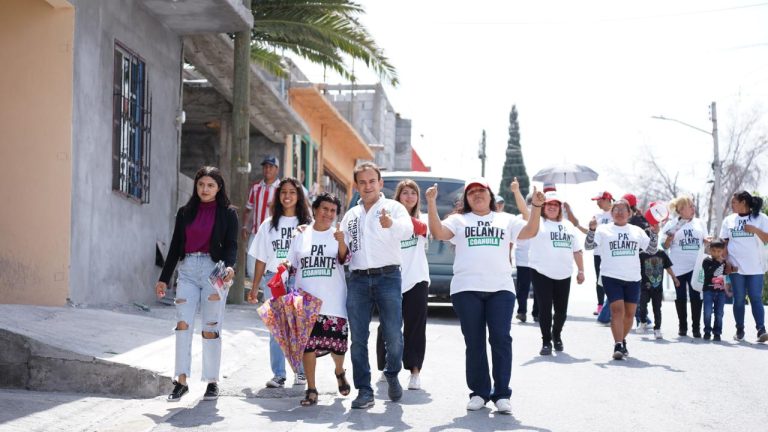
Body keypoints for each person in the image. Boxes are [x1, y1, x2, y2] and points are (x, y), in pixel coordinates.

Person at [426, 178, 545, 414]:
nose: (477, 195)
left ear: (490, 196)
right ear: (467, 199)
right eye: (472, 193)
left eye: (482, 191)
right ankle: (479, 392)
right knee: (475, 342)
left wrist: (537, 208)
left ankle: (501, 394)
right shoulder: (458, 220)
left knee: (501, 339)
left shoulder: (506, 219)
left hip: (500, 288)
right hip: (466, 289)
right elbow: (438, 232)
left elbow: (530, 231)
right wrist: (430, 202)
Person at [155, 166, 239, 402]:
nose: (205, 189)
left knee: (211, 327)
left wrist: (230, 266)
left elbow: (232, 245)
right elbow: (174, 247)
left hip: (216, 269)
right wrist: (164, 278)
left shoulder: (228, 214)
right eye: (201, 184)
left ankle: (212, 382)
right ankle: (181, 381)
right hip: (189, 270)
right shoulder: (185, 212)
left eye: (210, 185)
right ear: (196, 186)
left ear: (218, 188)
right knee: (183, 325)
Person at [340, 162, 413, 409]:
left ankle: (392, 373)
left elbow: (408, 229)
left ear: (380, 183)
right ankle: (364, 390)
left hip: (388, 277)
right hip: (358, 279)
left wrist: (390, 224)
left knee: (393, 335)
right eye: (363, 182)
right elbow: (342, 250)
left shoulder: (393, 208)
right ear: (357, 185)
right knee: (358, 338)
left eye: (372, 181)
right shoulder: (351, 215)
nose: (368, 186)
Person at [246, 177, 312, 388]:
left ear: (299, 196)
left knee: (298, 328)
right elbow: (261, 258)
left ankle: (300, 372)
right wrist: (255, 287)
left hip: (298, 278)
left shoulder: (307, 224)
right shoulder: (268, 224)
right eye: (283, 192)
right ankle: (279, 374)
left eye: (292, 192)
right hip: (273, 279)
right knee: (276, 330)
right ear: (278, 195)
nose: (287, 196)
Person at [285, 193, 350, 406]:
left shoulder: (339, 234)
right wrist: (281, 272)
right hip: (306, 301)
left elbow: (345, 259)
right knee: (308, 347)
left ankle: (339, 371)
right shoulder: (300, 234)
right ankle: (311, 389)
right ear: (315, 210)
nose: (328, 214)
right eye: (324, 209)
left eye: (332, 211)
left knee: (337, 347)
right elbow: (291, 264)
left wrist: (341, 242)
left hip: (334, 300)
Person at [584, 199, 659, 360]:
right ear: (611, 214)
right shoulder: (603, 230)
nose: (619, 212)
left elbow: (652, 249)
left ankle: (622, 340)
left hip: (633, 277)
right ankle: (618, 344)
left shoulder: (637, 231)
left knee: (630, 314)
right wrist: (591, 230)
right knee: (617, 310)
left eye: (623, 210)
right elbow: (589, 246)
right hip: (611, 276)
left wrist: (654, 234)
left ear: (629, 213)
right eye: (616, 210)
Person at [376, 180, 430, 391]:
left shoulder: (420, 220)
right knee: (387, 326)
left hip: (416, 279)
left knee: (415, 327)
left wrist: (393, 220)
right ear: (397, 197)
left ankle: (414, 372)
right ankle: (386, 367)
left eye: (413, 193)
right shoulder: (386, 221)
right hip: (391, 280)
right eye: (404, 193)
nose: (409, 197)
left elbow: (423, 229)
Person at [527, 191, 585, 355]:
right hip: (541, 271)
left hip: (564, 273)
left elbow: (577, 250)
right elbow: (527, 214)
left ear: (560, 208)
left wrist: (581, 270)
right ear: (544, 206)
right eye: (549, 204)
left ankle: (556, 335)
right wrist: (522, 194)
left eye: (556, 205)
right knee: (545, 308)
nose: (552, 207)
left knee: (561, 310)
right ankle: (546, 341)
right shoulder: (537, 222)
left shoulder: (568, 226)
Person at [719, 191, 768, 342]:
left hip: (756, 267)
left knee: (755, 298)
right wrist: (726, 262)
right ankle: (739, 329)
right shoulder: (729, 220)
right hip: (736, 267)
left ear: (743, 202)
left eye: (734, 202)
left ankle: (761, 330)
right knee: (739, 299)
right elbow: (724, 244)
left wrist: (754, 230)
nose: (731, 204)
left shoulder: (761, 218)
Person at [662, 195, 707, 338]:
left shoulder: (700, 223)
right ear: (681, 210)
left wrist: (707, 240)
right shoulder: (671, 224)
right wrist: (669, 238)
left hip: (696, 266)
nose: (694, 208)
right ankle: (682, 326)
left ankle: (696, 328)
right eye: (690, 206)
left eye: (694, 206)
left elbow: (705, 241)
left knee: (696, 296)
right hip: (679, 267)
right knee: (680, 296)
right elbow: (664, 245)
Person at [570, 191, 614, 316]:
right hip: (598, 252)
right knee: (599, 279)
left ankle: (611, 305)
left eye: (599, 200)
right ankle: (600, 306)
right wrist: (577, 225)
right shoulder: (597, 215)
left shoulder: (616, 212)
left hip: (612, 252)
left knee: (612, 279)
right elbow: (590, 233)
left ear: (607, 199)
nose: (597, 203)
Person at [242, 155, 281, 279]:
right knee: (252, 269)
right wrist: (244, 226)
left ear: (277, 169)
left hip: (275, 235)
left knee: (272, 269)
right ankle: (258, 295)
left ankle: (266, 296)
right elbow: (248, 210)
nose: (267, 169)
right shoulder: (255, 188)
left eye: (270, 166)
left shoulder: (282, 189)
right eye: (265, 166)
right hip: (255, 233)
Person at [510, 179, 538, 323]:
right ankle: (522, 311)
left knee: (539, 289)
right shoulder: (519, 218)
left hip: (538, 260)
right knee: (523, 288)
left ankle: (537, 313)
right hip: (523, 260)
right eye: (530, 203)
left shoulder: (540, 218)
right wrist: (516, 191)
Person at [637, 247, 679, 340]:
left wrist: (674, 278)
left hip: (657, 288)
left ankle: (657, 329)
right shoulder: (641, 254)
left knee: (657, 309)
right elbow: (634, 267)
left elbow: (668, 267)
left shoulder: (661, 253)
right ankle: (643, 322)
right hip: (644, 286)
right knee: (642, 305)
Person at [700, 239, 729, 341]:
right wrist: (717, 262)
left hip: (720, 291)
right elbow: (709, 273)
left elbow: (725, 275)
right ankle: (707, 331)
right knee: (707, 312)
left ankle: (717, 333)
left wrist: (727, 289)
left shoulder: (724, 262)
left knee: (719, 313)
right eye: (714, 251)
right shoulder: (707, 261)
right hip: (708, 290)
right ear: (710, 250)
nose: (716, 253)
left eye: (719, 251)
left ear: (722, 251)